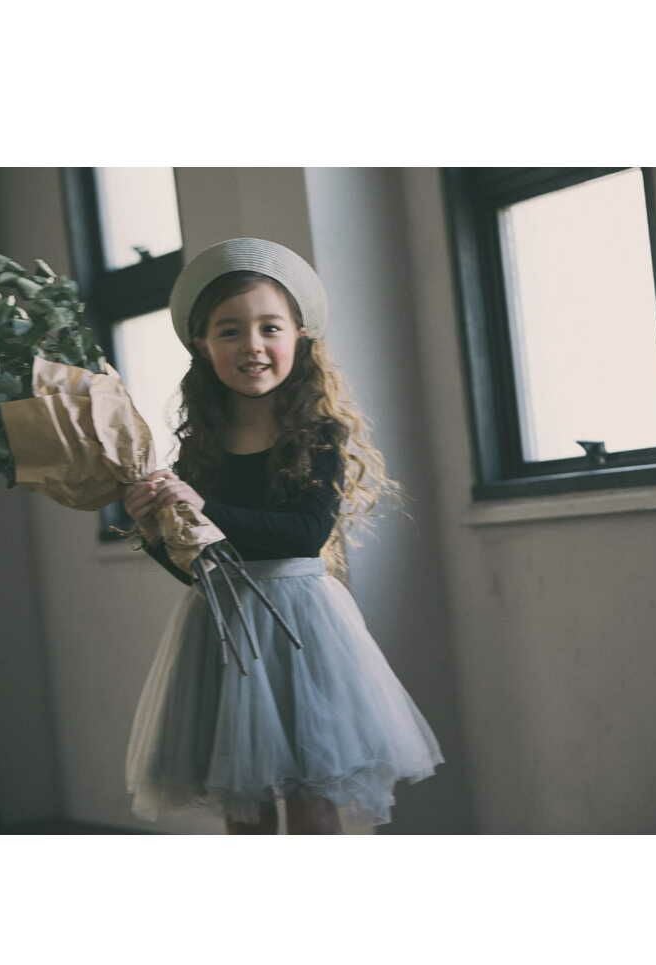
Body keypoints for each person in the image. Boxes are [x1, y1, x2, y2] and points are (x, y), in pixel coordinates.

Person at [122, 237, 444, 834]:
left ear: (299, 337)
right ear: (202, 345)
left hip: (303, 632)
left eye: (269, 328)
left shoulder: (317, 434)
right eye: (229, 331)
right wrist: (154, 532)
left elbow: (304, 534)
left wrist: (204, 506)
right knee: (243, 806)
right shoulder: (199, 447)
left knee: (310, 799)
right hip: (222, 630)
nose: (252, 345)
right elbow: (202, 568)